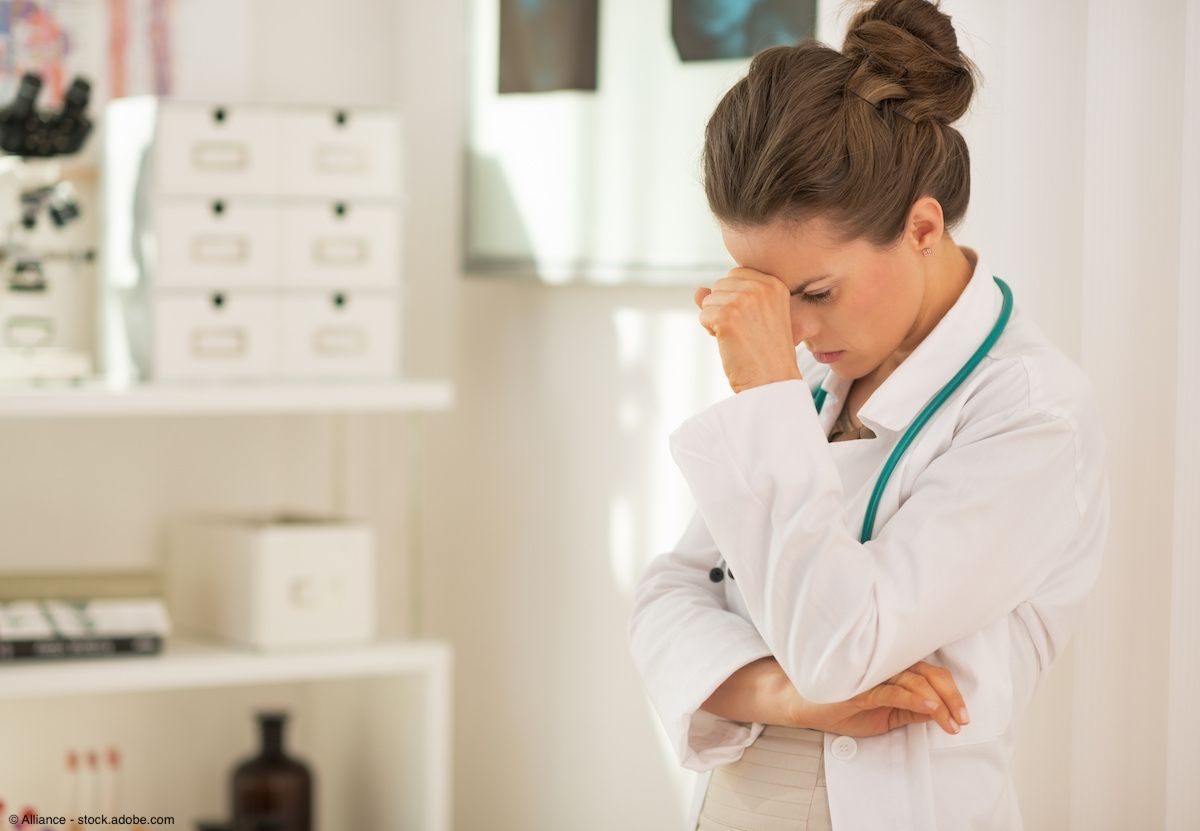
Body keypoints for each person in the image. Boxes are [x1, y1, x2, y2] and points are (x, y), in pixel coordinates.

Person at [625, 1, 1112, 829]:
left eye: (813, 294)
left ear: (922, 226)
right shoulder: (817, 386)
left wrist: (766, 397)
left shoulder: (1032, 415)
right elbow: (665, 598)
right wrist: (787, 696)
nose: (796, 333)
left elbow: (841, 642)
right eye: (771, 299)